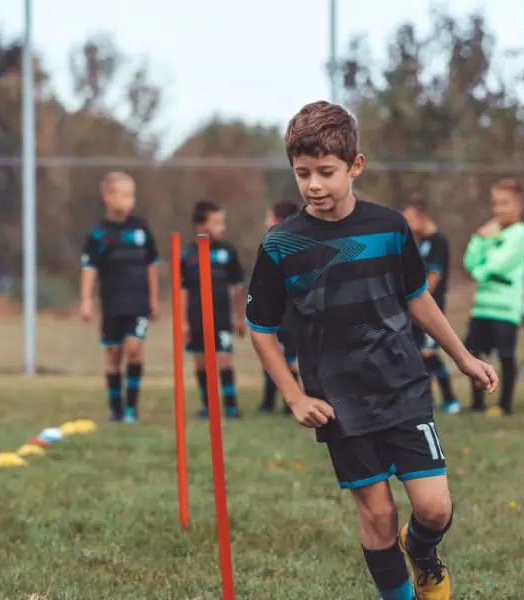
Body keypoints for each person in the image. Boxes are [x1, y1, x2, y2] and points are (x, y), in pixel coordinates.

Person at [246, 100, 498, 600]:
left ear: (355, 167)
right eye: (302, 173)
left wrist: (463, 358)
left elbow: (417, 298)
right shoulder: (281, 245)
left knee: (434, 509)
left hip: (402, 384)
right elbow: (260, 327)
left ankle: (422, 552)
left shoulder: (388, 227)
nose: (313, 184)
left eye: (325, 172)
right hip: (338, 400)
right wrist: (294, 396)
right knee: (377, 513)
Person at [80, 171, 160, 423]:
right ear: (108, 197)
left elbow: (152, 265)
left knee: (134, 348)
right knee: (113, 354)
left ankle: (131, 409)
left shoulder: (141, 228)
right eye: (124, 195)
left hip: (137, 301)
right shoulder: (98, 234)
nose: (130, 200)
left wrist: (154, 299)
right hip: (112, 302)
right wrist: (86, 300)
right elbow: (89, 268)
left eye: (132, 195)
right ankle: (115, 408)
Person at [462, 179, 524, 416]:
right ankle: (477, 403)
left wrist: (480, 272)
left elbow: (497, 264)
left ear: (518, 205)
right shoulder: (490, 232)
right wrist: (479, 239)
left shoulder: (520, 233)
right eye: (495, 203)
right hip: (482, 306)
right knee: (471, 352)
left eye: (505, 203)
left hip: (505, 307)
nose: (499, 209)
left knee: (505, 355)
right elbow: (470, 262)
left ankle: (505, 405)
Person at [181, 200, 246, 420]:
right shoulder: (188, 255)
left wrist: (239, 316)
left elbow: (237, 287)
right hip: (196, 318)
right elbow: (183, 290)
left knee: (224, 360)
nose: (222, 227)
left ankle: (231, 407)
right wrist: (183, 322)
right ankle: (208, 407)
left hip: (221, 318)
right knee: (201, 362)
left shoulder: (227, 252)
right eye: (217, 222)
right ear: (200, 225)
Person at [401, 198, 460, 415]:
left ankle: (451, 399)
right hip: (417, 309)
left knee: (429, 353)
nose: (406, 225)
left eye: (408, 219)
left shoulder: (438, 241)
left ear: (422, 216)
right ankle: (426, 400)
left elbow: (434, 276)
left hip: (430, 307)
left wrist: (419, 298)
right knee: (419, 353)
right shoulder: (419, 242)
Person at [257, 201, 302, 415]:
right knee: (272, 354)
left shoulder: (290, 247)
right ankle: (269, 403)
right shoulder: (272, 245)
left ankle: (288, 403)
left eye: (269, 216)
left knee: (288, 359)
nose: (266, 221)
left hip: (291, 314)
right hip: (277, 312)